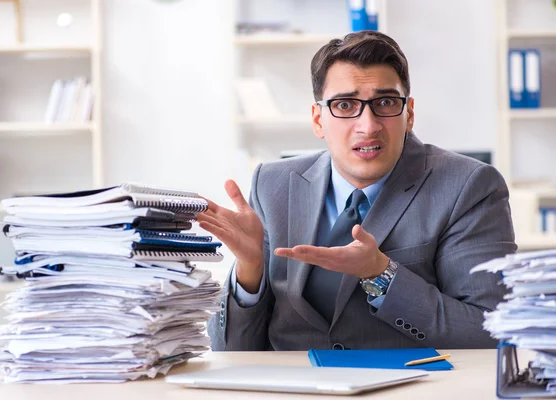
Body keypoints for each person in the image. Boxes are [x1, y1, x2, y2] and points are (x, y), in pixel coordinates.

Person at [198, 30, 516, 351]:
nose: (368, 125)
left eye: (386, 102)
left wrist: (380, 273)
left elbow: (489, 332)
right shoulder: (272, 184)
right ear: (318, 120)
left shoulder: (469, 186)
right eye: (346, 105)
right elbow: (231, 351)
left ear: (409, 115)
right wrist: (249, 271)